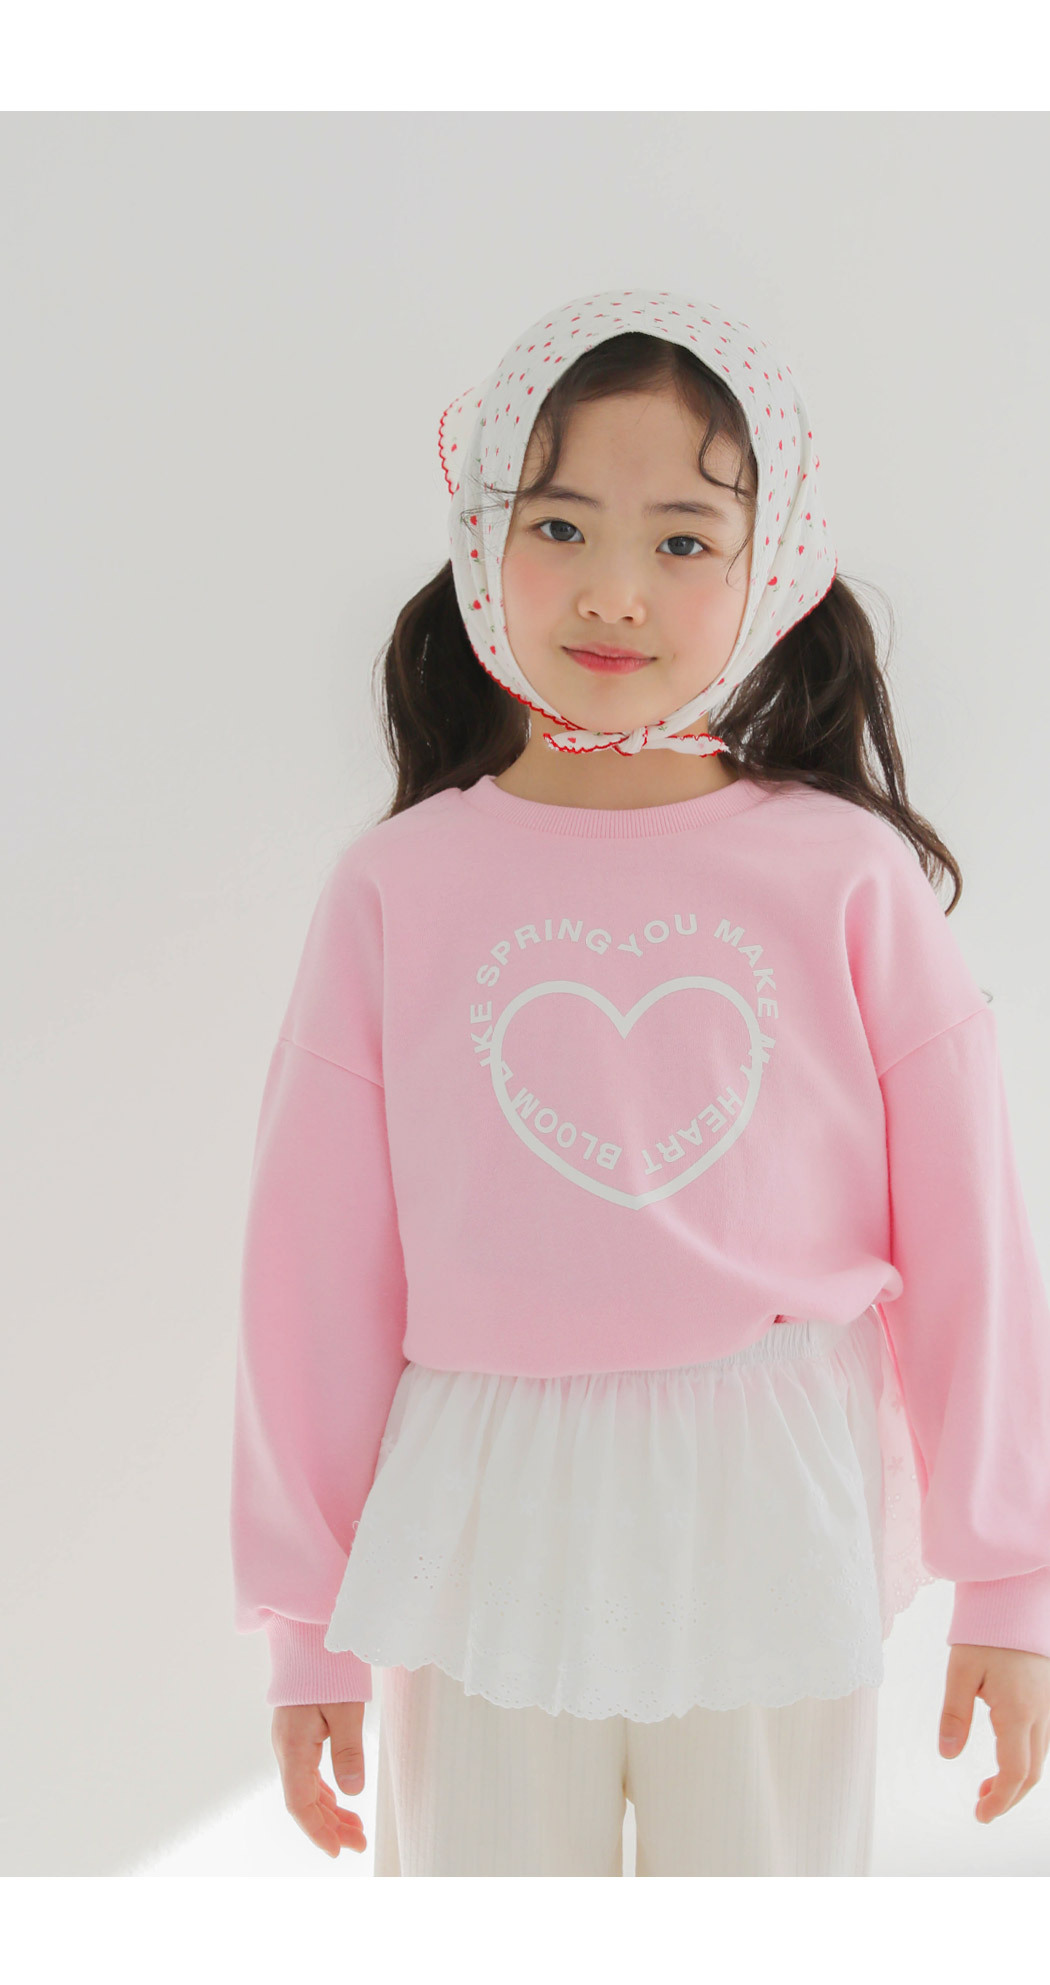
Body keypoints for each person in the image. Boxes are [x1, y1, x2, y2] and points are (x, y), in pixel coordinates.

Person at [229, 287, 1050, 1876]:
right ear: (481, 540)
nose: (614, 589)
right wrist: (306, 1622)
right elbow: (312, 1277)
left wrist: (1010, 1580)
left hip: (767, 1495)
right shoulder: (397, 888)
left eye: (683, 538)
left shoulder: (843, 876)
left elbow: (970, 1246)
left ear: (771, 563)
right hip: (480, 1501)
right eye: (559, 524)